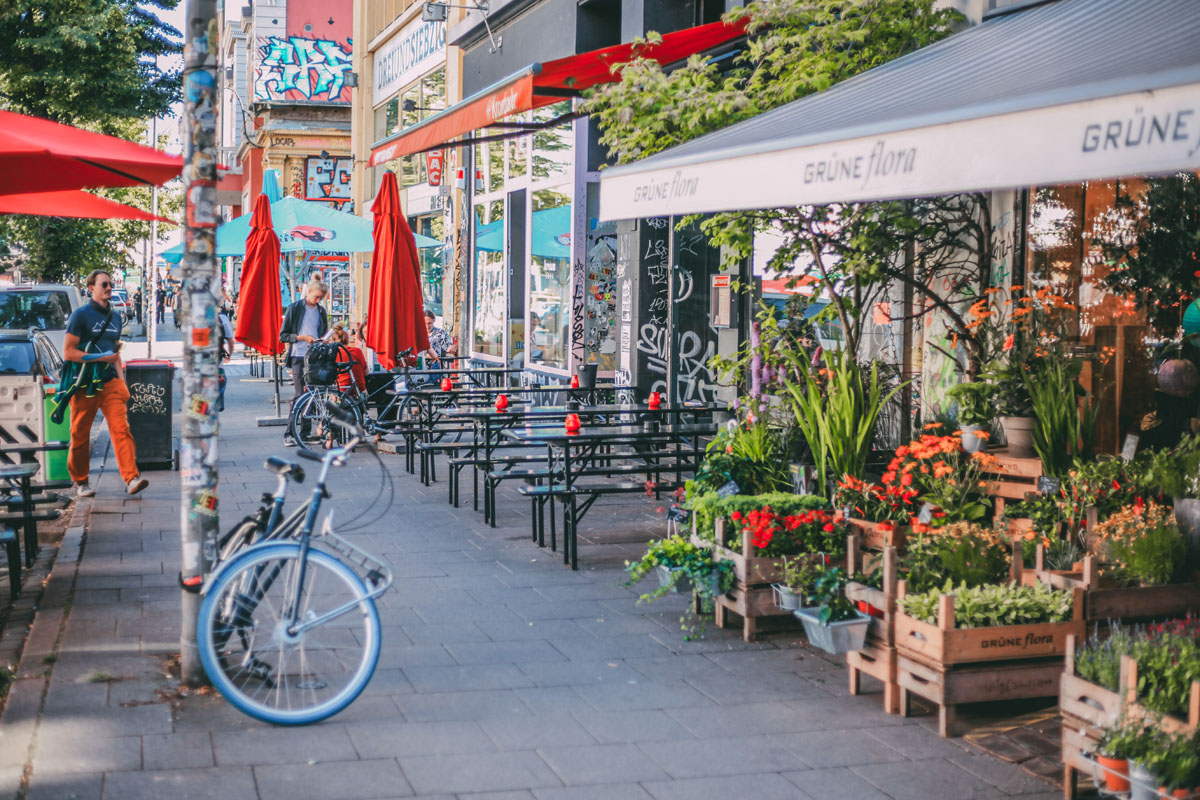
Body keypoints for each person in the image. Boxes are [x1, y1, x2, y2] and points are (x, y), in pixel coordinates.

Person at [63, 270, 148, 497]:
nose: (109, 287)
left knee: (122, 430)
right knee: (80, 434)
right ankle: (81, 481)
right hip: (85, 383)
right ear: (91, 288)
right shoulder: (80, 316)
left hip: (110, 382)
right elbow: (69, 352)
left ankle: (132, 479)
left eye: (111, 284)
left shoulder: (116, 318)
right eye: (104, 284)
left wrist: (122, 382)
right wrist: (100, 358)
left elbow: (115, 352)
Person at [279, 280, 329, 446]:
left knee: (312, 395)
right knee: (300, 394)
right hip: (299, 355)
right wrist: (302, 338)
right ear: (309, 292)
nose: (318, 301)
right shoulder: (295, 308)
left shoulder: (321, 311)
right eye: (316, 297)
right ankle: (289, 434)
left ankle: (305, 433)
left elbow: (322, 331)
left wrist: (322, 340)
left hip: (314, 356)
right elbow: (283, 335)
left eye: (321, 298)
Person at [331, 324, 367, 395]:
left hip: (342, 391)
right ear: (347, 339)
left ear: (333, 342)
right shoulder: (358, 351)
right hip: (360, 391)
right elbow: (366, 372)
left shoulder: (333, 354)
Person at [216, 306, 235, 412]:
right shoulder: (222, 318)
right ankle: (218, 402)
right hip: (216, 356)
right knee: (221, 378)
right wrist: (229, 355)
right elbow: (230, 341)